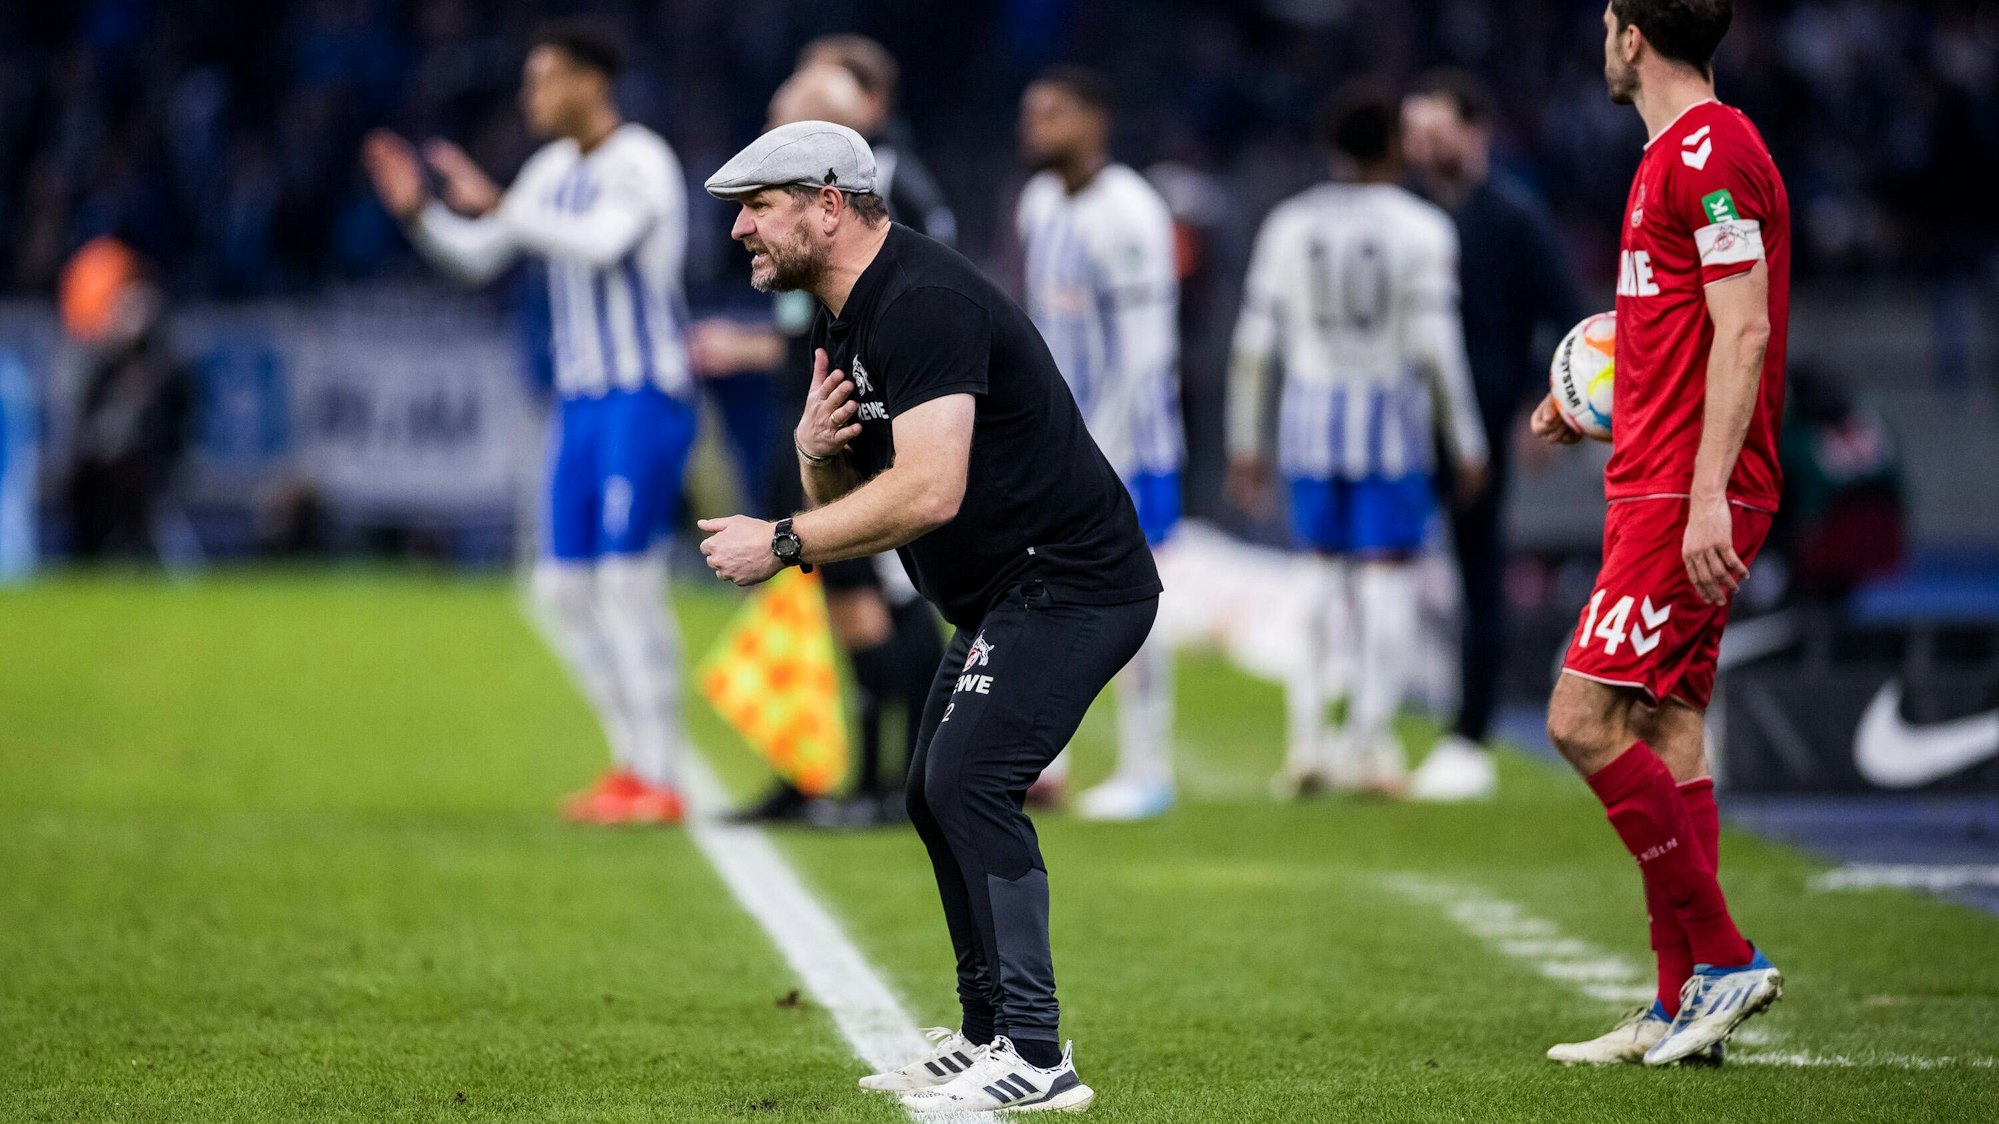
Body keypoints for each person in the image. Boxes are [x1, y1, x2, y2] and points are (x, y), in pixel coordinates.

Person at [698, 120, 1159, 1114]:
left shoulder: (923, 303)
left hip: (1072, 582)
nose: (739, 228)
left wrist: (777, 538)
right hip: (1010, 592)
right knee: (931, 789)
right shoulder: (852, 313)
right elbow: (855, 495)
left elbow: (929, 490)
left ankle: (1037, 1055)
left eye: (757, 203)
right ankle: (986, 1033)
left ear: (829, 202)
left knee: (969, 780)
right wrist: (813, 450)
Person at [1534, 0, 1789, 1066]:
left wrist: (1701, 496)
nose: (1601, 41)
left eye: (1605, 22)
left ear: (1631, 35)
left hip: (1683, 495)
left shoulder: (1712, 150)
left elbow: (1745, 328)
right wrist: (1587, 401)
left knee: (1578, 719)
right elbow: (1675, 320)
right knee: (1667, 724)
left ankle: (1724, 959)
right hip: (1651, 477)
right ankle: (1681, 998)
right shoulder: (1664, 158)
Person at [361, 22, 696, 825]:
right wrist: (420, 217)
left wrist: (505, 204)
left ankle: (662, 770)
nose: (530, 96)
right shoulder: (548, 171)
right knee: (561, 587)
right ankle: (630, 762)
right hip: (580, 404)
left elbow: (605, 241)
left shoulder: (641, 161)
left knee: (627, 580)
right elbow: (482, 252)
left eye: (543, 79)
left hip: (644, 395)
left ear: (590, 80)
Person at [693, 60, 950, 828]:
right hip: (813, 410)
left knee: (877, 593)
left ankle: (891, 778)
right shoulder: (847, 214)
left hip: (853, 415)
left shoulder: (888, 209)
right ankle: (835, 775)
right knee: (841, 596)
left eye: (792, 125)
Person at [1226, 85, 1488, 799]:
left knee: (1314, 580)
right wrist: (1465, 441)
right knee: (1386, 586)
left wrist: (1243, 441)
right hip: (1389, 432)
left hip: (1308, 426)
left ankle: (1306, 743)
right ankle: (1371, 745)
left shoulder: (1288, 224)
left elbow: (1253, 346)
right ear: (1395, 149)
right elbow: (1436, 347)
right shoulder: (1422, 228)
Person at [1401, 70, 1585, 802]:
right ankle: (1374, 726)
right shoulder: (1406, 212)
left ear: (1474, 132)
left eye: (1436, 130)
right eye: (1414, 132)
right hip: (1400, 425)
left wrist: (1550, 405)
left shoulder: (1512, 217)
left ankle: (1468, 735)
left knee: (1479, 576)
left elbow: (1567, 313)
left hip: (1477, 422)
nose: (1422, 144)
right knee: (1382, 573)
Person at [1014, 65, 1184, 821]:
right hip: (1058, 443)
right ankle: (1046, 759)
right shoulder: (1037, 204)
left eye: (1050, 114)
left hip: (1131, 448)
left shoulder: (1131, 213)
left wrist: (1099, 451)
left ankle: (1147, 768)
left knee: (1131, 601)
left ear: (1093, 122)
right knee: (1043, 596)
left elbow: (1145, 353)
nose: (1034, 128)